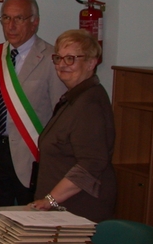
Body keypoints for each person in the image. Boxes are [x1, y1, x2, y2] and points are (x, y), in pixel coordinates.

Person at [0, 0, 66, 207]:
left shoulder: (51, 57)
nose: (11, 26)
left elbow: (59, 116)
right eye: (5, 18)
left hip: (30, 154)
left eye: (19, 19)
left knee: (30, 222)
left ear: (35, 22)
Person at [30, 30, 116, 222]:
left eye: (70, 59)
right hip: (61, 209)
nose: (62, 65)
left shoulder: (89, 104)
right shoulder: (75, 98)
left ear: (91, 62)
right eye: (58, 58)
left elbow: (90, 164)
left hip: (79, 209)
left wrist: (50, 200)